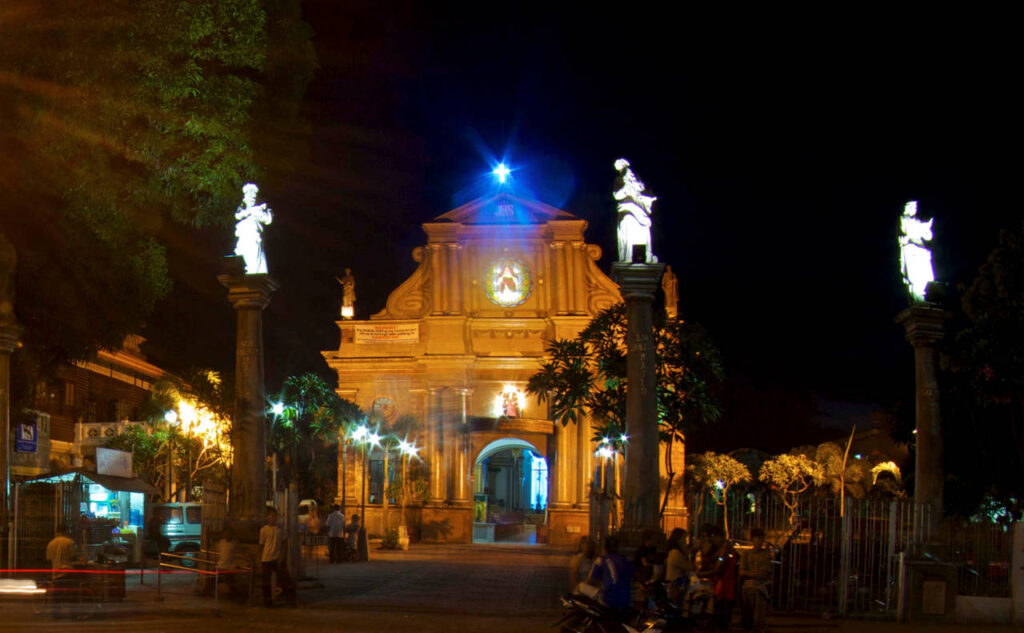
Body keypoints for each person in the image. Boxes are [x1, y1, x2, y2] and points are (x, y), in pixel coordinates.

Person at [698, 525, 738, 633]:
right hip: (718, 585)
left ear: (719, 536)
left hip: (725, 586)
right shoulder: (718, 549)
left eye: (713, 537)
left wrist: (701, 574)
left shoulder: (726, 549)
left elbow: (719, 566)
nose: (712, 540)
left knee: (722, 613)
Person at [583, 535, 633, 611]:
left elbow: (590, 580)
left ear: (604, 547)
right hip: (625, 600)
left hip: (608, 600)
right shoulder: (625, 560)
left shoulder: (601, 560)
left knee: (580, 586)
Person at [259, 508, 297, 608]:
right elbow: (261, 545)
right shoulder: (263, 530)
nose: (273, 518)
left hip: (277, 557)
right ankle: (268, 603)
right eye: (271, 516)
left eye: (275, 516)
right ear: (267, 517)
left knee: (285, 579)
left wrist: (281, 556)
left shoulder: (280, 529)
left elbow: (284, 542)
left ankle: (291, 600)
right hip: (266, 558)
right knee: (266, 582)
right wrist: (260, 559)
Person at [740, 528, 771, 633]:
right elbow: (741, 571)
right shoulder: (747, 554)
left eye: (762, 539)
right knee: (747, 613)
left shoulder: (765, 555)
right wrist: (754, 573)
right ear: (753, 540)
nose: (761, 541)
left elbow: (764, 572)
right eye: (758, 539)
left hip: (759, 586)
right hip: (749, 586)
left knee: (758, 615)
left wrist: (749, 573)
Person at [664, 527, 693, 601]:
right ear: (679, 540)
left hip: (677, 585)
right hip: (675, 586)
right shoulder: (675, 553)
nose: (686, 542)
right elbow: (688, 567)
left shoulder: (674, 552)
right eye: (684, 539)